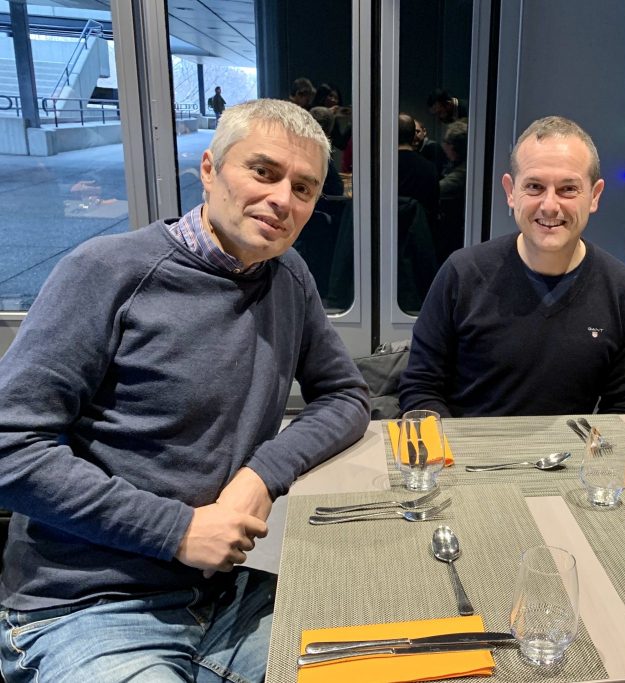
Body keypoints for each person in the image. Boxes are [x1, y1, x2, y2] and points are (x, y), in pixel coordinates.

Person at [0, 98, 372, 682]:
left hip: (225, 596)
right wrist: (177, 530)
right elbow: (10, 449)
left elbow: (346, 396)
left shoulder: (288, 277)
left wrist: (261, 476)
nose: (283, 199)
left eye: (304, 188)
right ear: (209, 169)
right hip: (88, 605)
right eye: (264, 172)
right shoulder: (107, 272)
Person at [399, 115, 625, 417]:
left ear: (594, 196)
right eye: (534, 186)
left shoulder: (624, 291)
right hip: (464, 445)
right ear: (510, 191)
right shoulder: (462, 274)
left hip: (570, 447)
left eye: (568, 189)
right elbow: (420, 388)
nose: (549, 205)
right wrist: (445, 446)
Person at [437, 119, 468, 262]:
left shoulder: (462, 173)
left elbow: (438, 190)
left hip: (455, 231)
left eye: (446, 142)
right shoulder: (456, 165)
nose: (444, 146)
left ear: (454, 146)